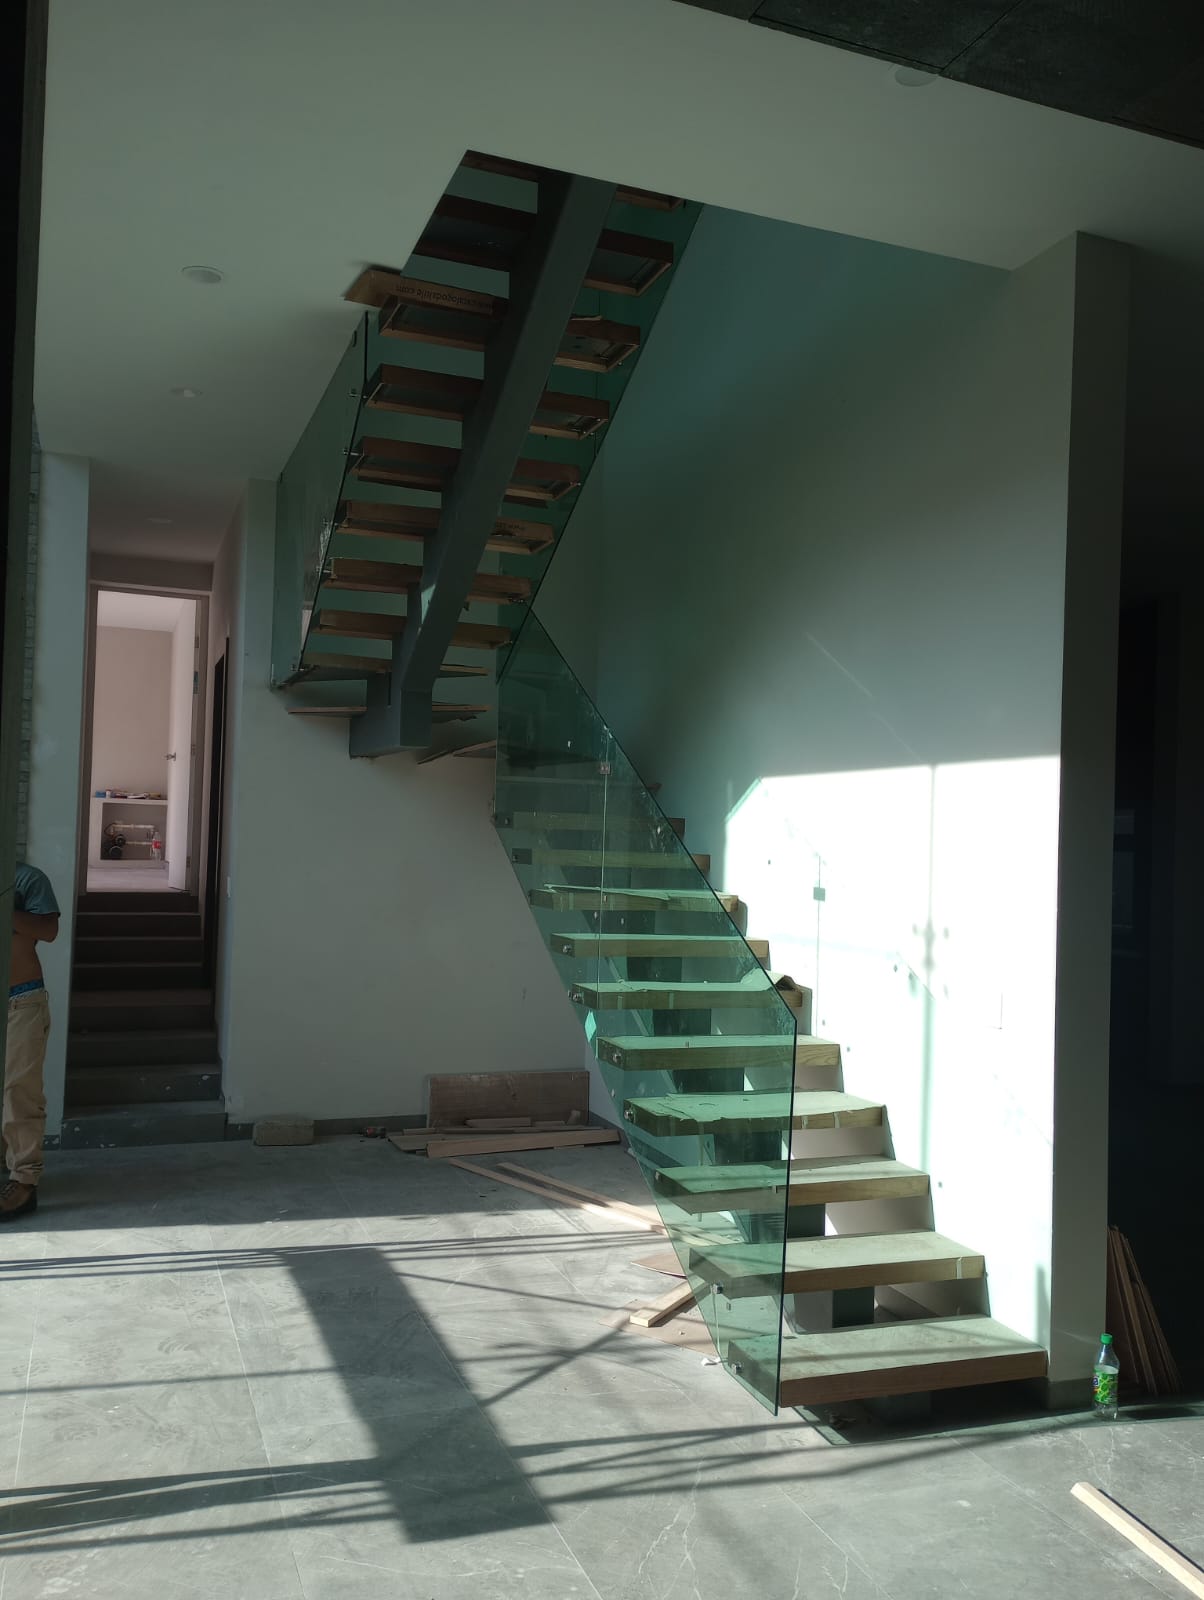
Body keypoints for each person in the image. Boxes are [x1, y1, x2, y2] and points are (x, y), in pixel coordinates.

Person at [3, 862, 60, 1221]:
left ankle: (24, 1182)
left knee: (18, 1092)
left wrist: (5, 910)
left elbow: (48, 930)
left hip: (20, 1000)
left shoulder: (26, 878)